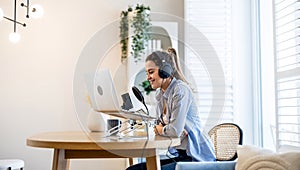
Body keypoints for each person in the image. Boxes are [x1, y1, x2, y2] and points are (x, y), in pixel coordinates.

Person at [127, 48, 216, 170]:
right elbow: (160, 126)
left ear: (165, 71)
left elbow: (174, 131)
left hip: (195, 158)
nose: (148, 77)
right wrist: (164, 129)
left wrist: (163, 129)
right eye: (147, 73)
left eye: (151, 72)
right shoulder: (160, 94)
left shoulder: (180, 90)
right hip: (179, 154)